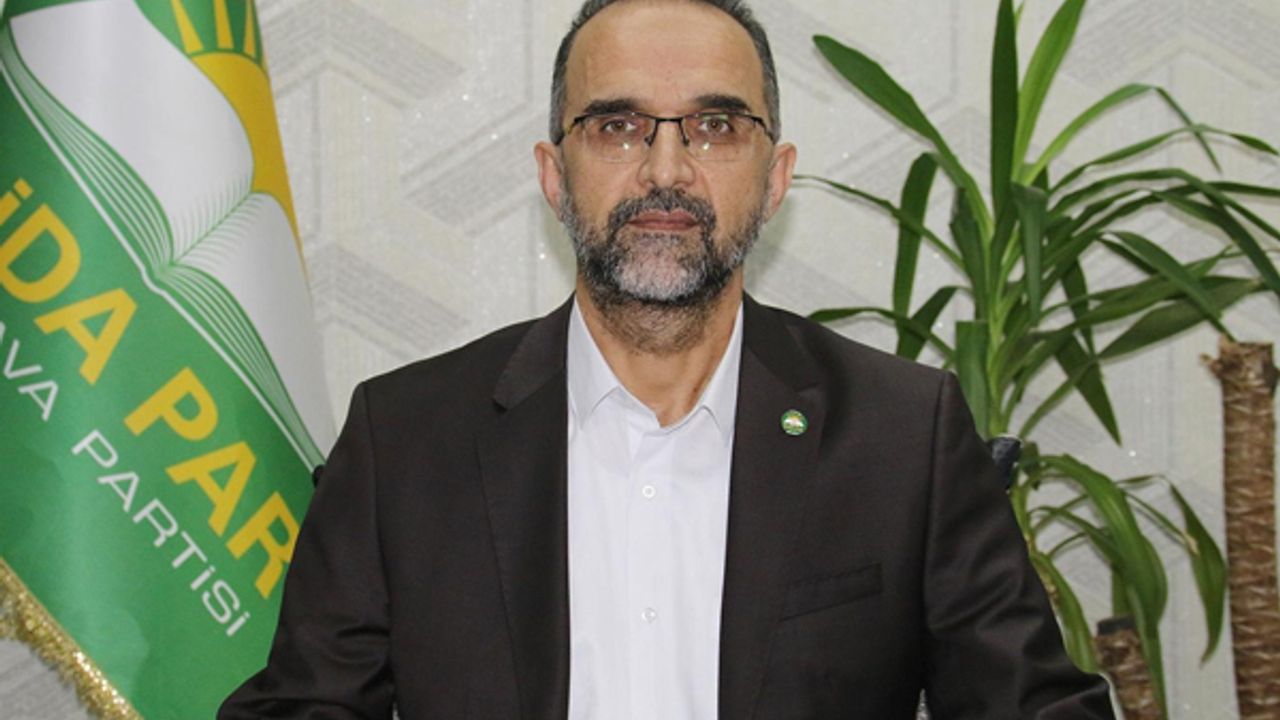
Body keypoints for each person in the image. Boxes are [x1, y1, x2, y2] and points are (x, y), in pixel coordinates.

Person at [219, 0, 1116, 717]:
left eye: (715, 126)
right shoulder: (406, 440)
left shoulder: (901, 435)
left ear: (774, 177)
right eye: (617, 126)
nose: (666, 170)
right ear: (553, 174)